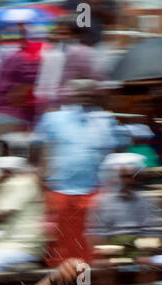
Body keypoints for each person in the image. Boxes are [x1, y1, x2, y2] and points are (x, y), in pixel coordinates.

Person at [36, 80, 120, 264]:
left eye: (89, 91)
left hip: (94, 192)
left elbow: (113, 155)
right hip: (60, 190)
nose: (85, 95)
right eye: (80, 91)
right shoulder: (53, 118)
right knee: (61, 245)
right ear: (70, 93)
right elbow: (38, 150)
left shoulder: (106, 120)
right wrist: (42, 181)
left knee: (91, 243)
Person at [88, 153, 162, 256]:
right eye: (124, 177)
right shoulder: (100, 201)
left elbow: (153, 233)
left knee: (147, 266)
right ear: (114, 177)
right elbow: (95, 233)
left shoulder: (148, 201)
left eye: (132, 177)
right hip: (110, 249)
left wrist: (143, 249)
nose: (128, 181)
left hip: (140, 249)